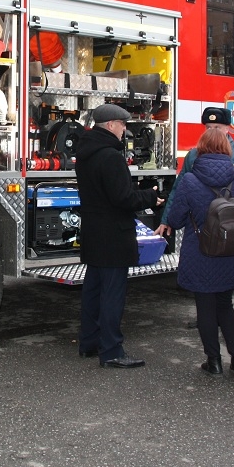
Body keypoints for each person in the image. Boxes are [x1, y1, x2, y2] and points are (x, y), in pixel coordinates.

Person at [156, 107, 234, 337]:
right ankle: (208, 317)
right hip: (204, 227)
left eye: (218, 127)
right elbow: (179, 189)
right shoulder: (194, 155)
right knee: (205, 273)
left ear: (228, 128)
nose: (213, 131)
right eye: (208, 127)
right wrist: (167, 219)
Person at [76, 103, 164, 369]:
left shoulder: (86, 152)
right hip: (113, 234)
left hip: (93, 231)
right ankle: (112, 350)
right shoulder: (111, 156)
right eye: (123, 125)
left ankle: (89, 343)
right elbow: (122, 198)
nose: (125, 130)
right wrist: (150, 196)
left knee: (92, 291)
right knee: (112, 294)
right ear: (112, 125)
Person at [164, 128, 234, 377]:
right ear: (227, 148)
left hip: (201, 252)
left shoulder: (190, 180)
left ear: (200, 149)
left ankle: (213, 361)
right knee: (226, 305)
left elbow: (176, 219)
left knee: (205, 306)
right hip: (231, 251)